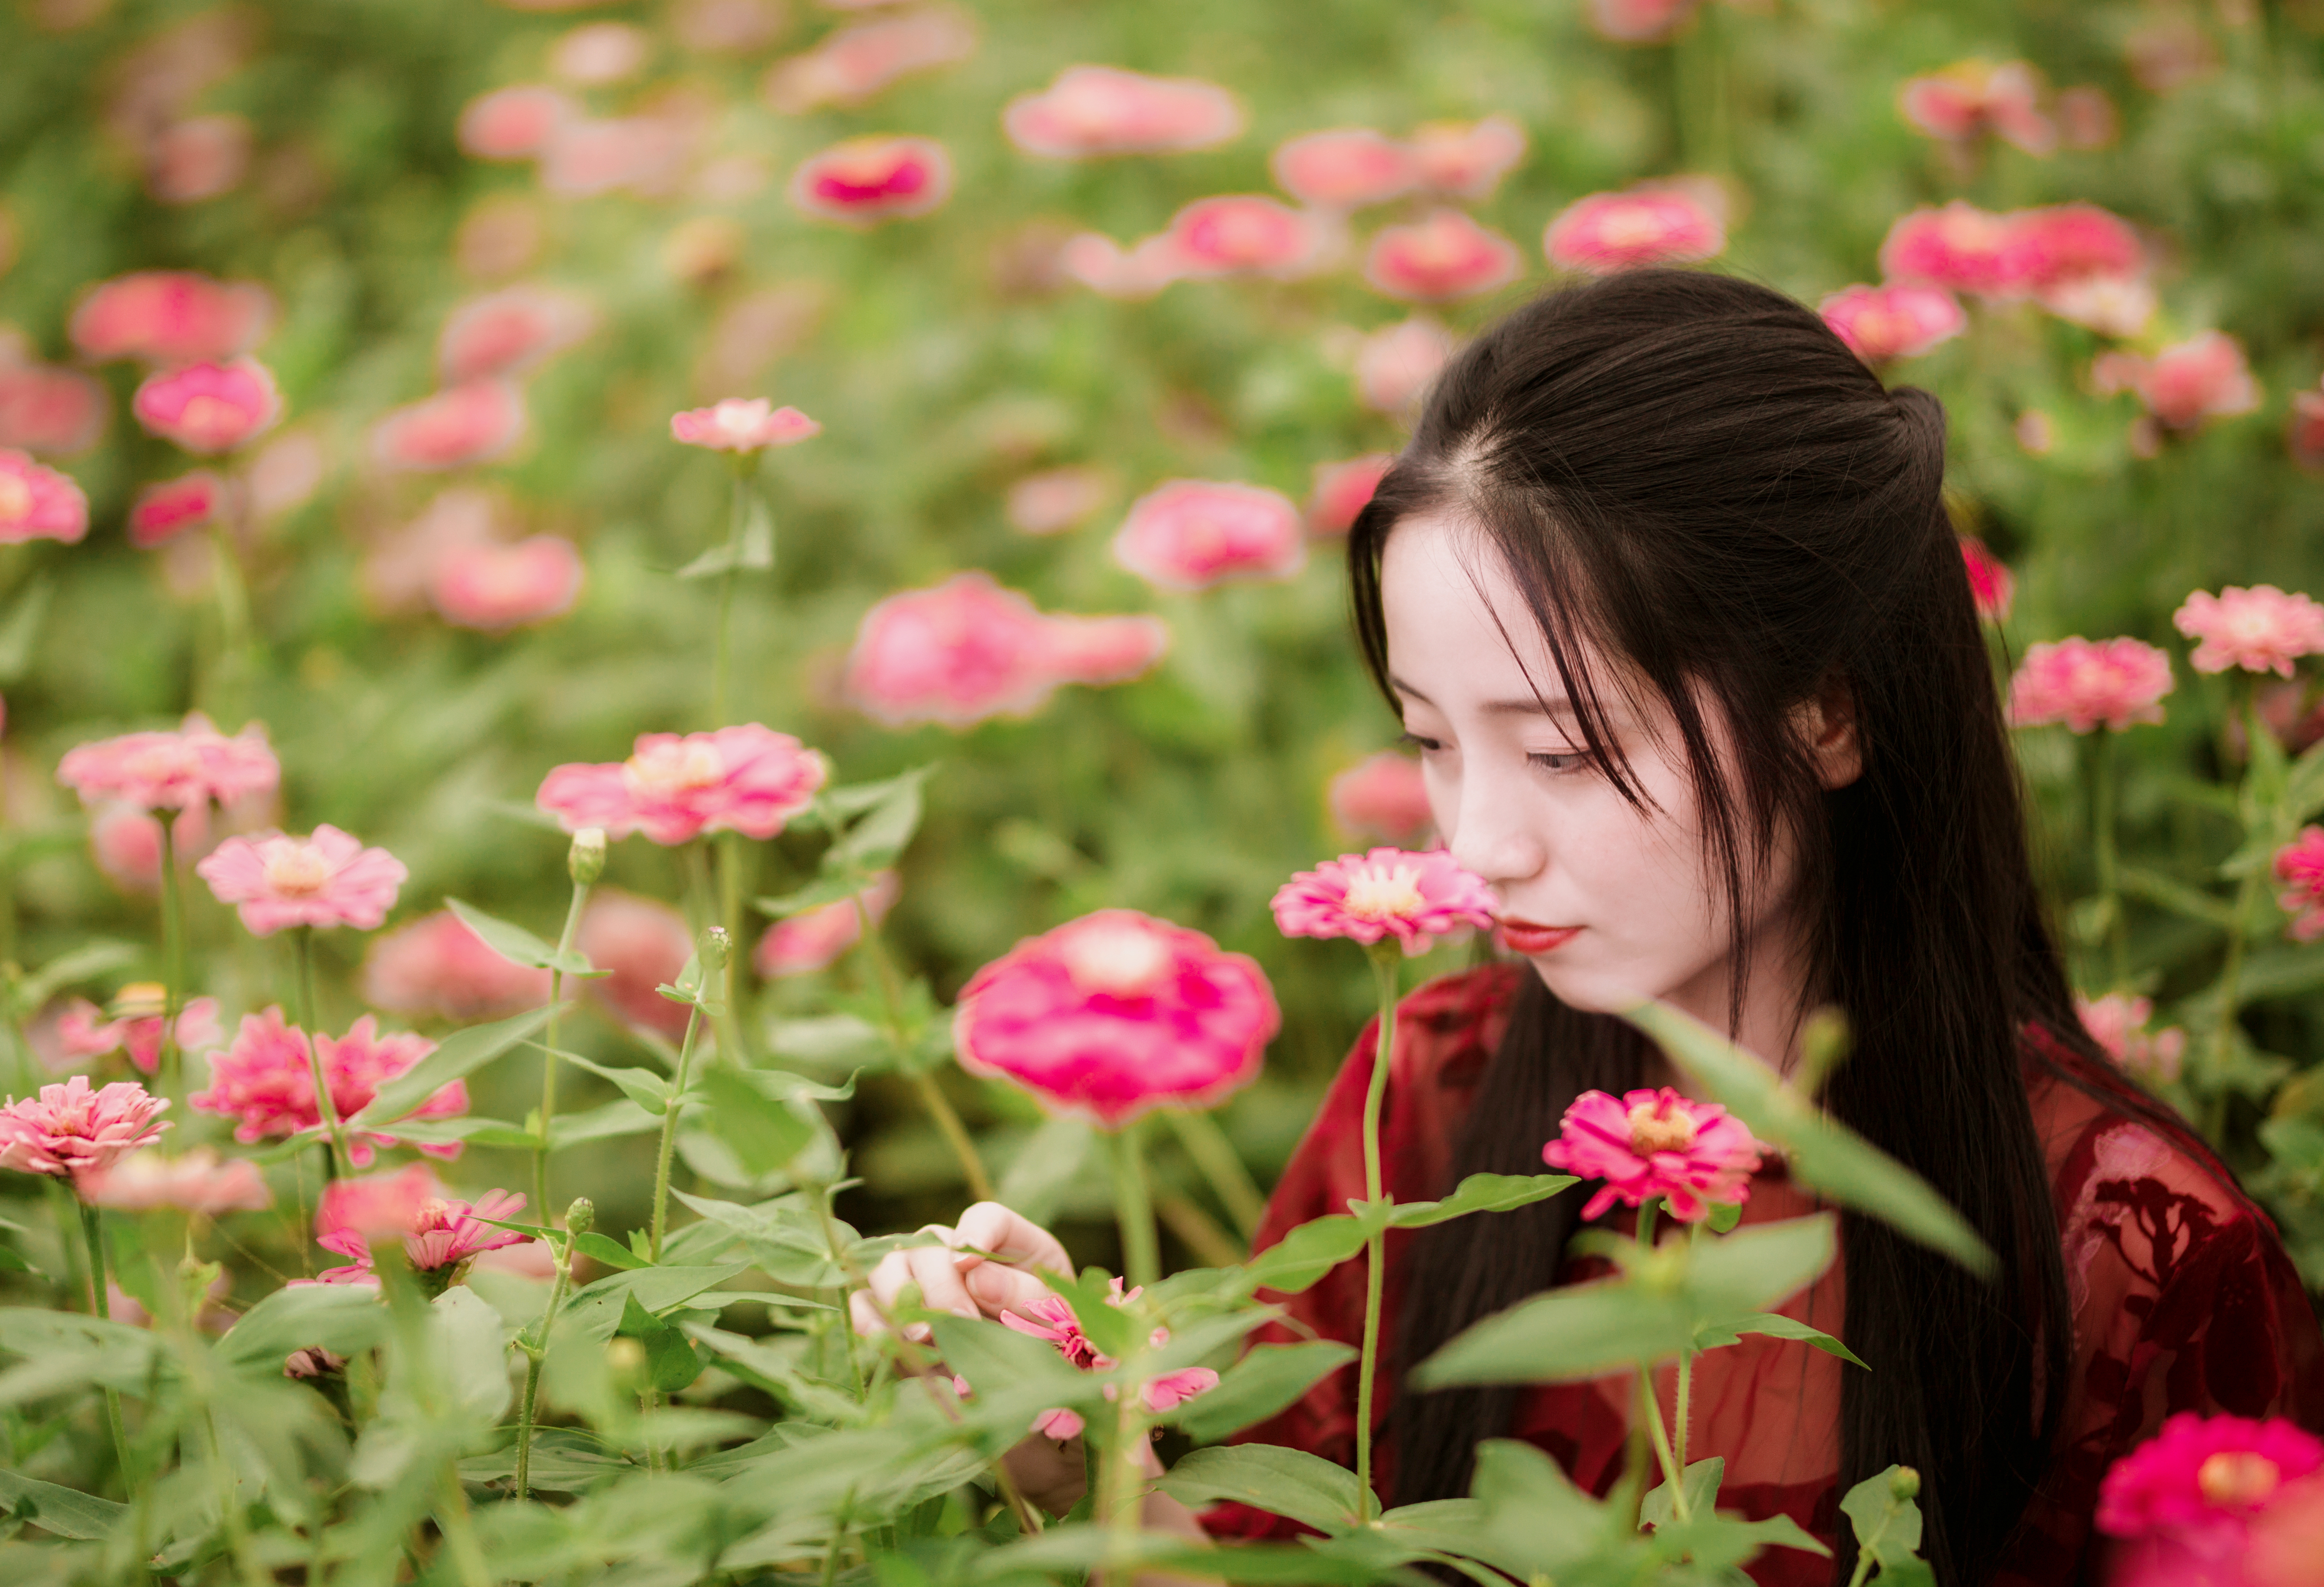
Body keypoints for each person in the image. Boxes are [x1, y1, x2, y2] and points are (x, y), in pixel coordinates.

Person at [852, 270, 2324, 1586]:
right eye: (1431, 742)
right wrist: (1087, 1464)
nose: (1474, 847)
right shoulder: (1429, 1099)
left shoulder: (2132, 1250)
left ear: (1826, 706)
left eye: (1560, 751)